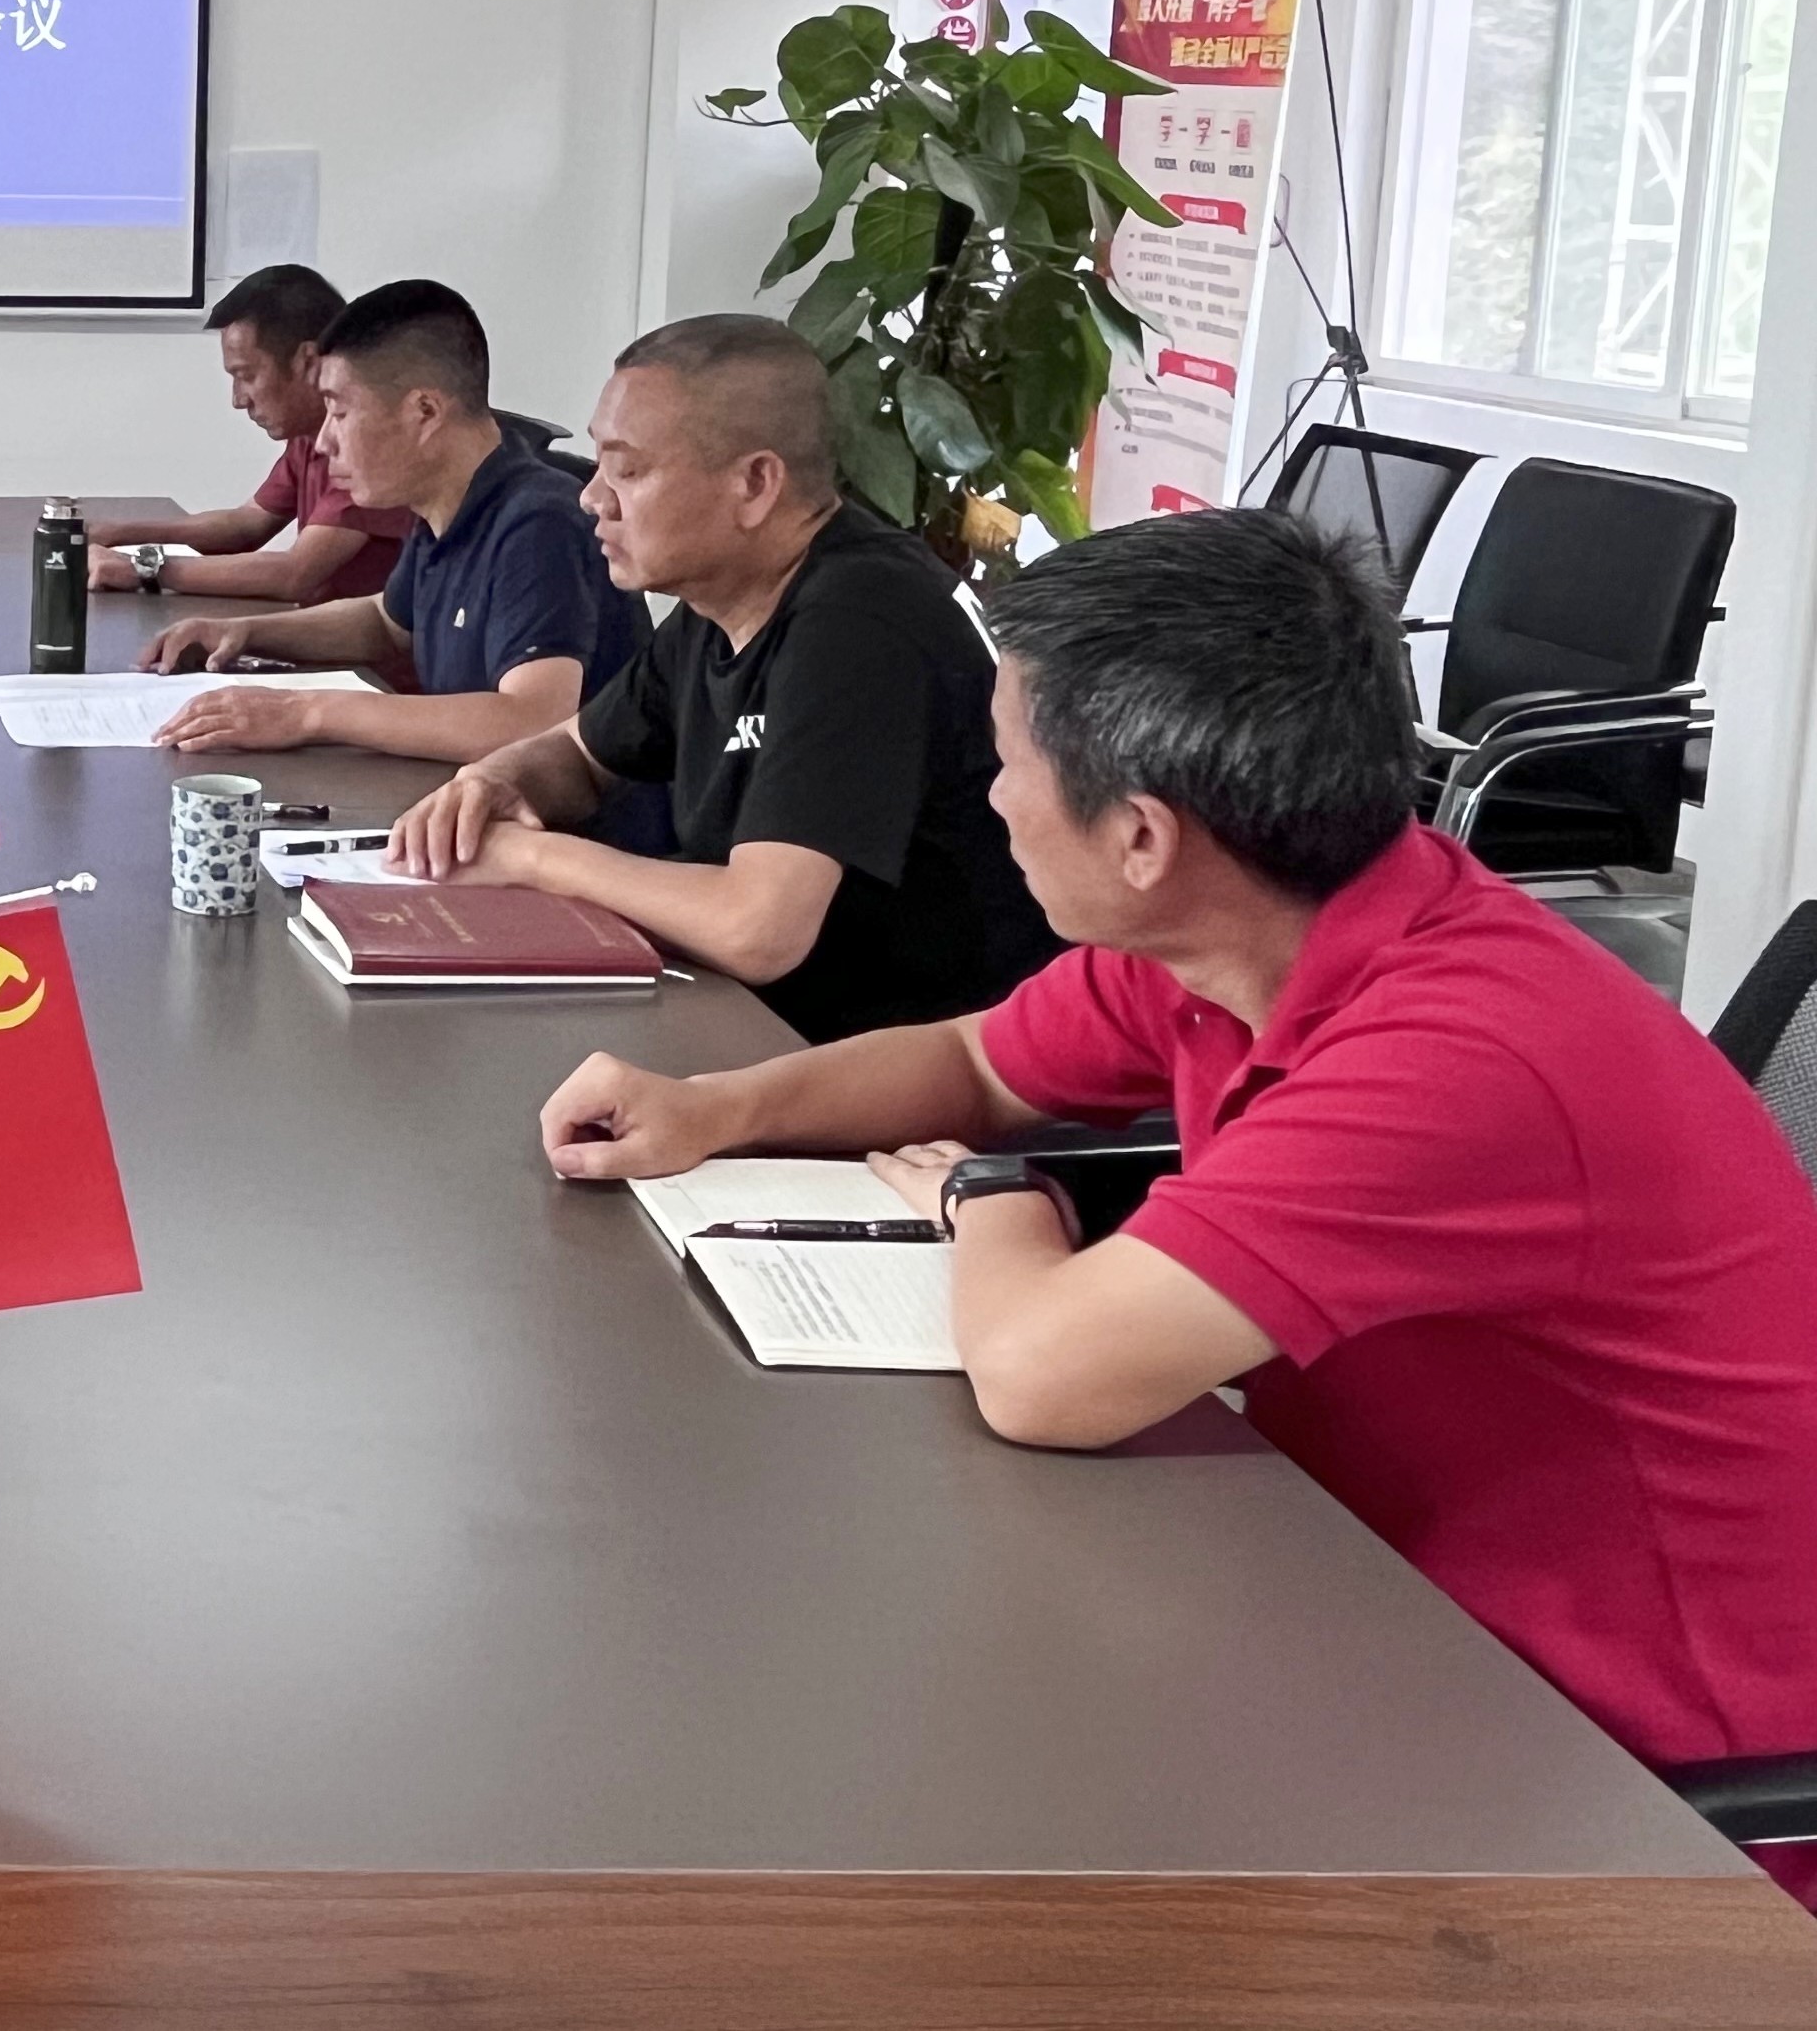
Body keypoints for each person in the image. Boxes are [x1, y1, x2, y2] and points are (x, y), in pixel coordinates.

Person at [533, 506, 1817, 1906]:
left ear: (1143, 834)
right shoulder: (1241, 922)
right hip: (1367, 1601)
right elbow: (979, 1061)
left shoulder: (1460, 1056)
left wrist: (991, 1193)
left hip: (1641, 1804)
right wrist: (718, 1107)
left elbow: (1044, 1374)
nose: (991, 799)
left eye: (1011, 764)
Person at [391, 314, 1050, 1041]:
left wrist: (531, 857)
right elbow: (580, 753)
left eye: (628, 470)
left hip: (911, 1062)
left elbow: (759, 930)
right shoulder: (724, 599)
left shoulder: (861, 622)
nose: (592, 498)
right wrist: (494, 782)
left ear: (755, 484)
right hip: (759, 1021)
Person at [137, 282, 646, 793]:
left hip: (567, 830)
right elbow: (385, 622)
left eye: (339, 412)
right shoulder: (443, 503)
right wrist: (246, 633)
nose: (324, 441)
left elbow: (531, 719)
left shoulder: (540, 522)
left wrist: (307, 712)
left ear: (424, 412)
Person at [86, 265, 413, 605]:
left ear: (308, 361)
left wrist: (144, 569)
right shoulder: (308, 436)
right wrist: (114, 534)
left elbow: (296, 574)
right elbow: (247, 524)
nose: (238, 400)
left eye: (246, 376)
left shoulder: (368, 443)